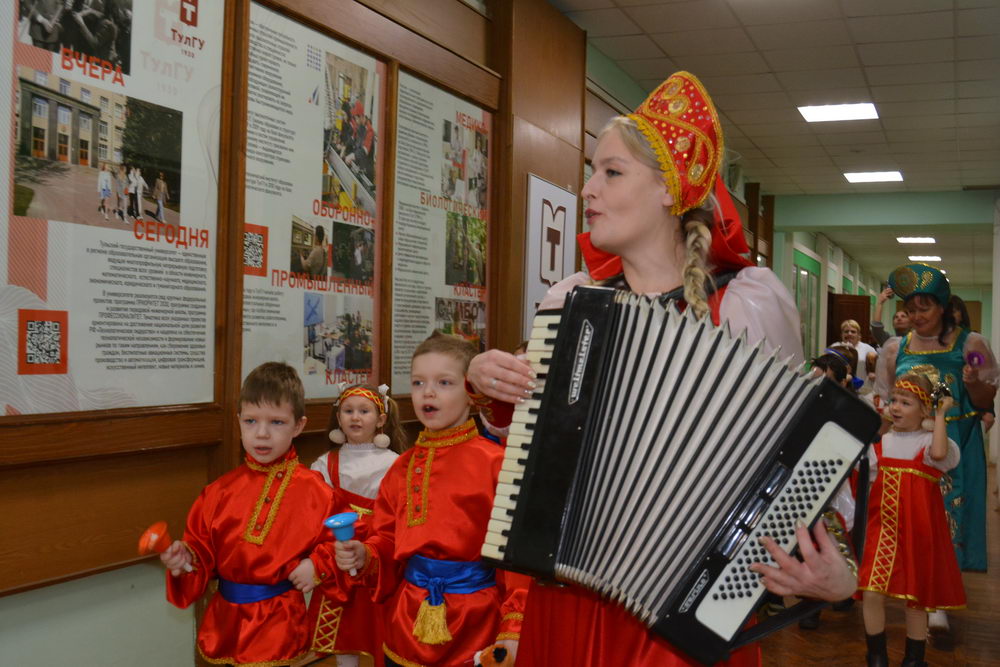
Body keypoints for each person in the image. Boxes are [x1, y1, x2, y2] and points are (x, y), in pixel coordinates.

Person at [465, 71, 856, 666]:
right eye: (590, 172)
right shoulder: (570, 301)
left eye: (611, 172)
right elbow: (533, 450)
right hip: (566, 601)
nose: (588, 191)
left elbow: (796, 461)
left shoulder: (745, 303)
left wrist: (839, 571)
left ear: (671, 192)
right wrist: (495, 385)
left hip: (687, 616)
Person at [334, 332, 527, 667]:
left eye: (445, 382)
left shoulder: (495, 463)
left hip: (475, 622)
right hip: (407, 619)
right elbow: (388, 538)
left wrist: (513, 627)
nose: (429, 392)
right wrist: (364, 554)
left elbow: (516, 555)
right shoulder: (402, 466)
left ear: (471, 394)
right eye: (419, 382)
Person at [159, 362, 342, 666]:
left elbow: (343, 542)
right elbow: (201, 553)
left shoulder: (316, 492)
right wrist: (185, 560)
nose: (262, 434)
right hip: (223, 623)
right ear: (239, 422)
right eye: (251, 421)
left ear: (298, 426)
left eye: (277, 423)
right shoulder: (218, 492)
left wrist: (317, 564)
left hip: (279, 626)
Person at [874, 263, 996, 643]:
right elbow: (886, 397)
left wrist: (975, 383)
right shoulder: (897, 347)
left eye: (924, 308)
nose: (915, 316)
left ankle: (939, 602)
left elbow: (986, 397)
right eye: (911, 309)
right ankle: (925, 602)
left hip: (955, 439)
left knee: (951, 517)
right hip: (910, 448)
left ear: (942, 307)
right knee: (918, 518)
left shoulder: (971, 345)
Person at [859, 375, 964, 667]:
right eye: (893, 401)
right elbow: (862, 480)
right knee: (871, 591)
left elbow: (941, 454)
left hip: (919, 532)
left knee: (916, 597)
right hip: (882, 530)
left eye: (906, 403)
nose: (896, 407)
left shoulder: (931, 443)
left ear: (924, 411)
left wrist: (941, 414)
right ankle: (877, 656)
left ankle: (914, 659)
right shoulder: (882, 444)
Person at [307, 383, 408, 665]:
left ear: (381, 420)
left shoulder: (395, 463)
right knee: (343, 632)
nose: (355, 417)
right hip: (339, 555)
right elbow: (315, 509)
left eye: (364, 411)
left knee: (379, 628)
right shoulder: (325, 463)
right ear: (338, 418)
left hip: (377, 556)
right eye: (348, 411)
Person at [841, 319, 878, 399]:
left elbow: (880, 368)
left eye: (853, 331)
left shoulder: (868, 349)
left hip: (864, 392)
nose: (849, 334)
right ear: (842, 334)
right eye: (846, 331)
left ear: (859, 335)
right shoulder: (836, 347)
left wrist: (875, 374)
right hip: (842, 391)